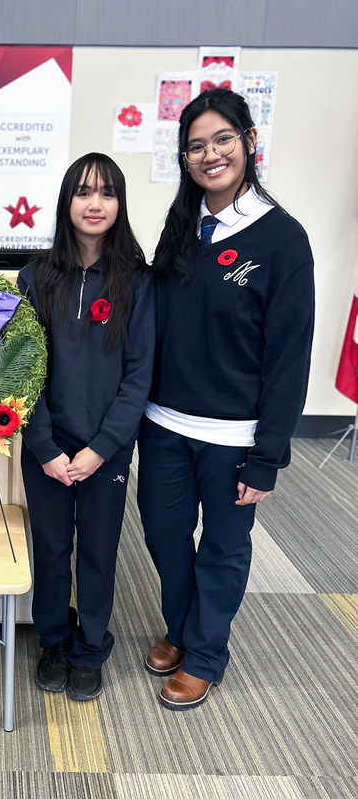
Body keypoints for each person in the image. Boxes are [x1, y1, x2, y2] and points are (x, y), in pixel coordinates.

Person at [137, 88, 314, 710]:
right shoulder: (183, 226)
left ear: (248, 144)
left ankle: (205, 651)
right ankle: (184, 627)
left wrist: (268, 454)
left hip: (235, 433)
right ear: (184, 158)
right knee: (161, 532)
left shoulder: (281, 239)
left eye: (222, 141)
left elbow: (290, 355)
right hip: (163, 423)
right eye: (196, 146)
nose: (210, 155)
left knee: (224, 547)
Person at [18, 153, 154, 700]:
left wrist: (101, 449)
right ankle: (53, 638)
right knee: (50, 547)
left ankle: (91, 644)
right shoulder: (35, 277)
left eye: (106, 192)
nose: (94, 204)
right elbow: (21, 370)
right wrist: (45, 446)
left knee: (98, 549)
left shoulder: (137, 282)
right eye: (83, 191)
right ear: (66, 201)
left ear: (119, 203)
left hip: (108, 450)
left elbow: (139, 377)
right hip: (47, 445)